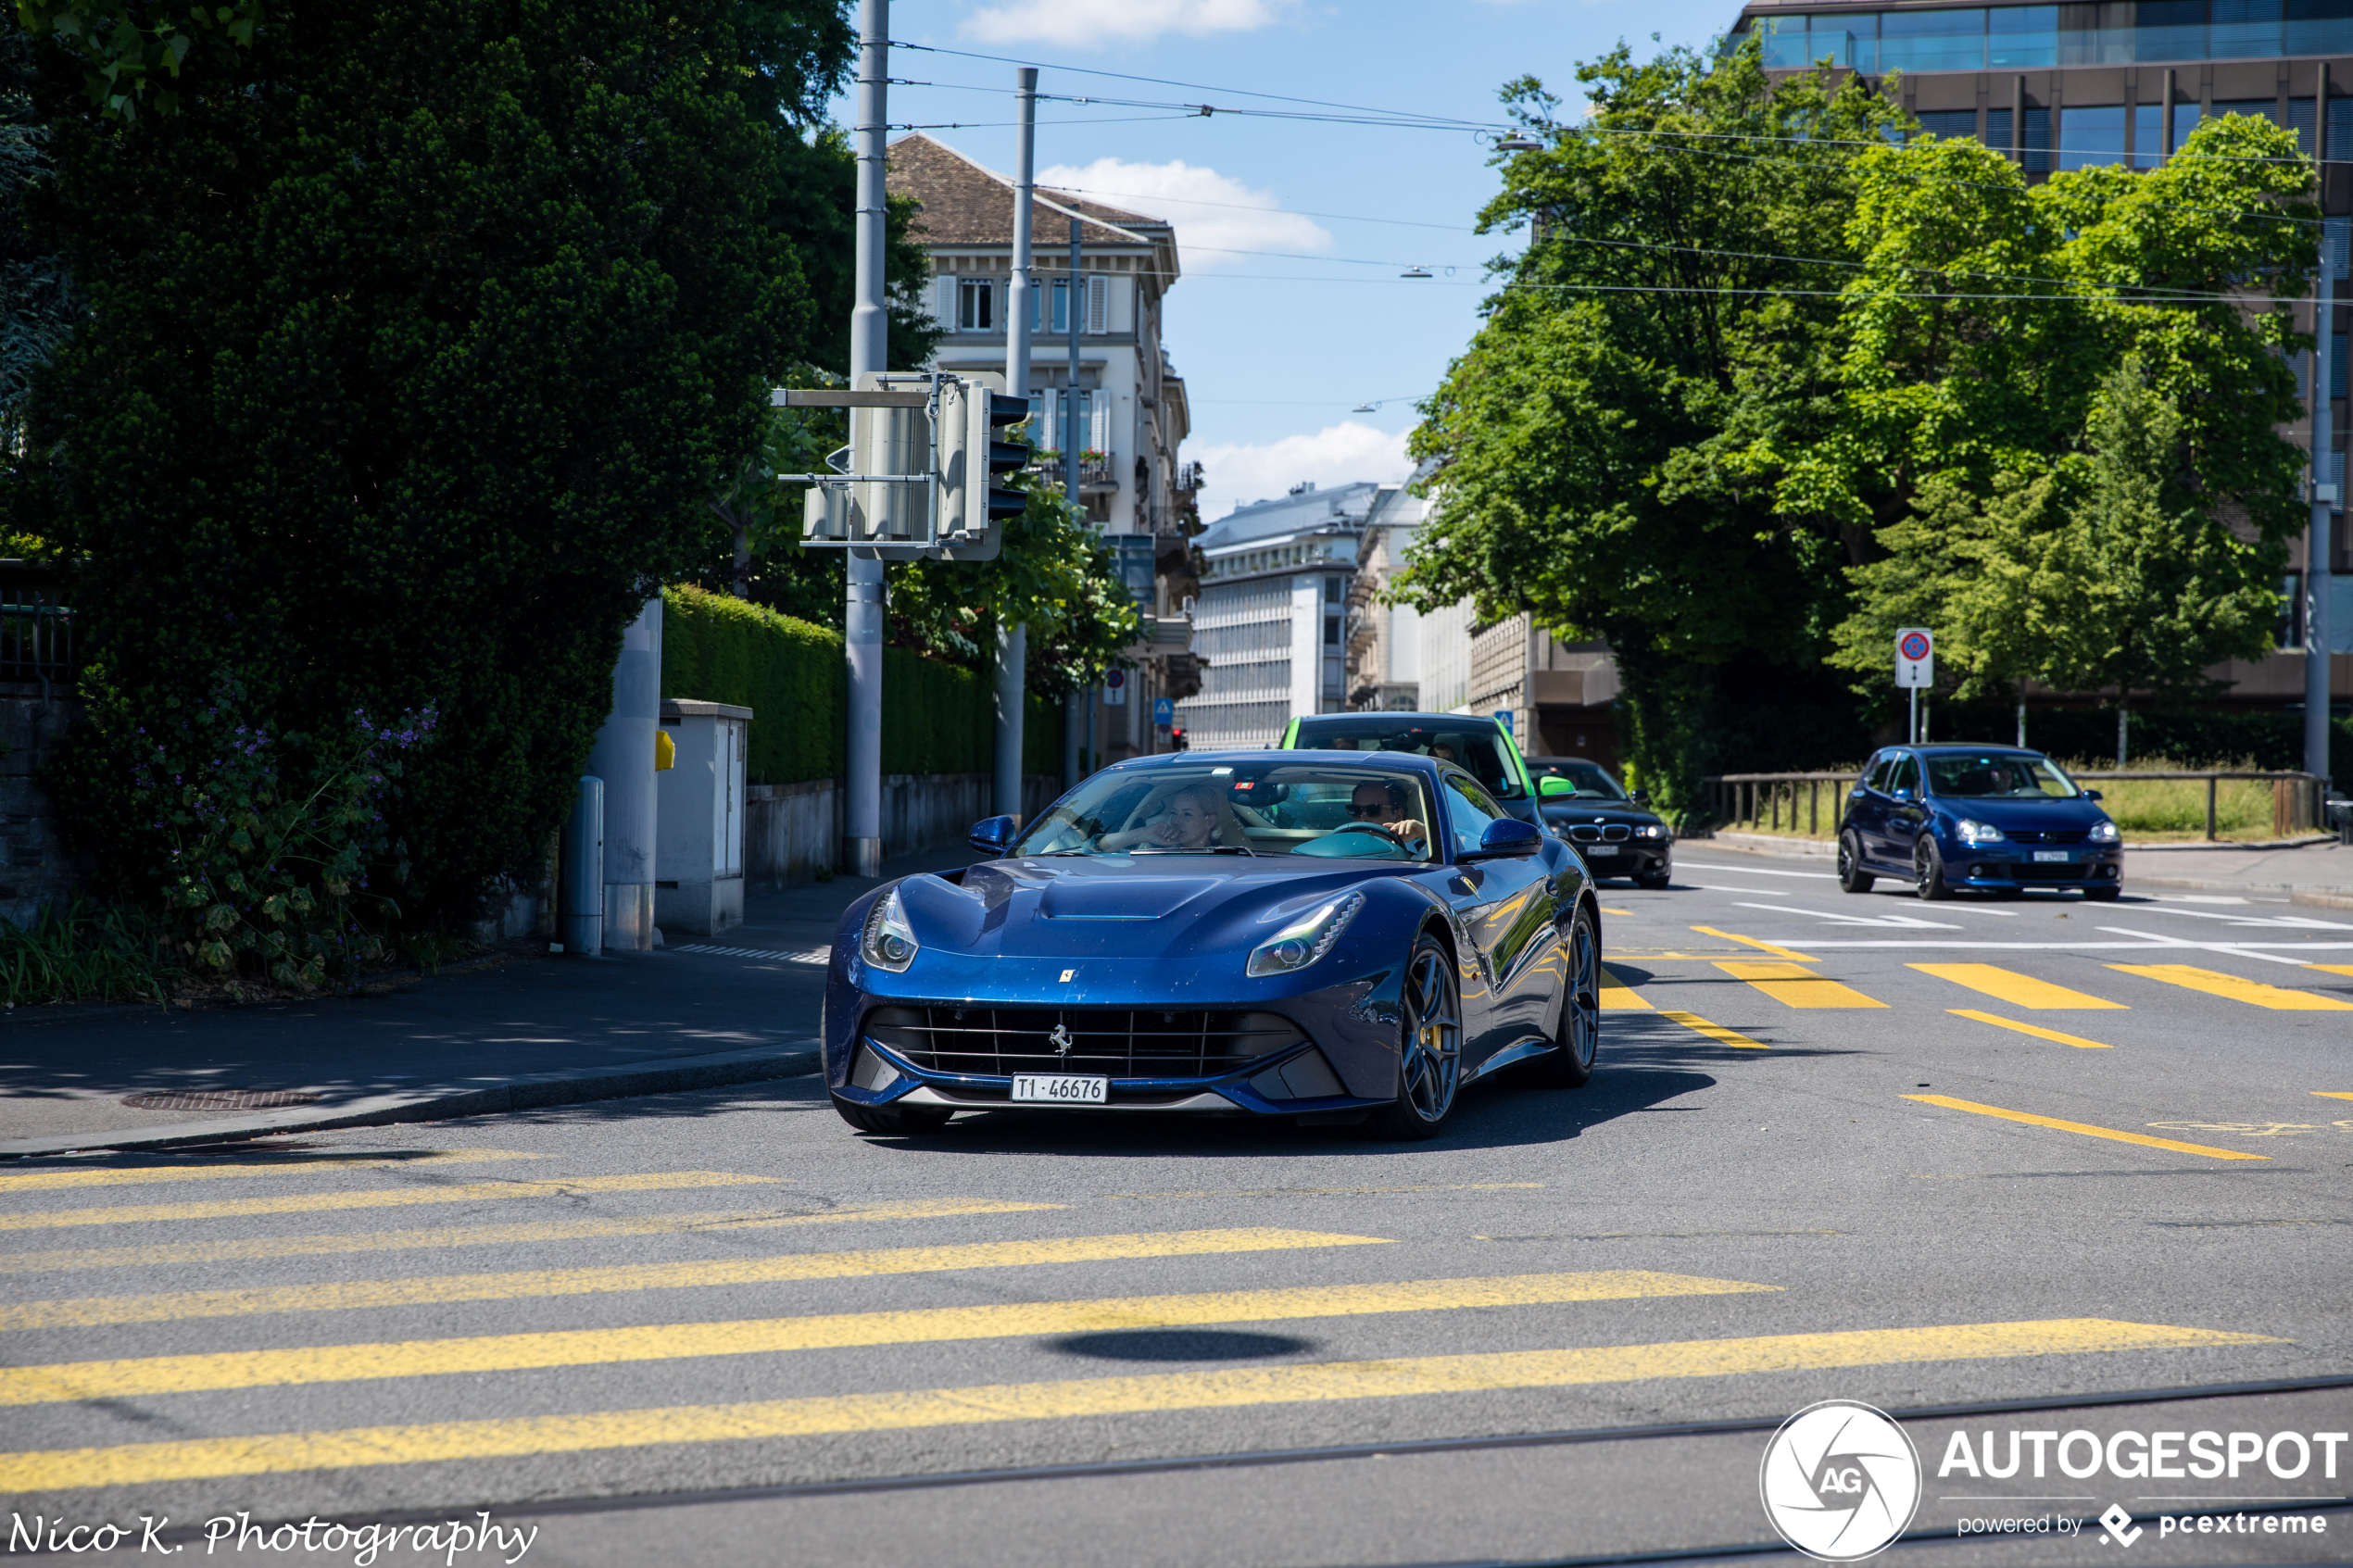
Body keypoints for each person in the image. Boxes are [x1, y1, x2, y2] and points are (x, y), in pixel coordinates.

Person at [1100, 784, 1223, 851]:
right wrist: (1144, 834)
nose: (1176, 821)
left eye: (1187, 814)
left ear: (1210, 822)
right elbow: (1093, 848)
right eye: (1174, 813)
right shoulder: (1156, 852)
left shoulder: (1226, 858)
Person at [1340, 779, 1427, 849]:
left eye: (1373, 810)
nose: (1363, 818)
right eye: (1356, 810)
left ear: (1398, 815)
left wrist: (1425, 833)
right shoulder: (1341, 847)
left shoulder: (1424, 850)